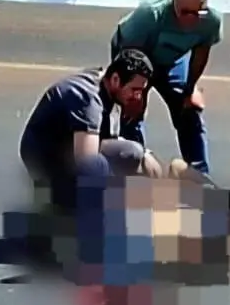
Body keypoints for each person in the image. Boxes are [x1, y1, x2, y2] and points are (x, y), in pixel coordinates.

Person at [19, 49, 167, 213]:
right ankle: (60, 202)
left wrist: (145, 157)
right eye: (134, 90)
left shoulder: (105, 81)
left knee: (137, 155)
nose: (138, 97)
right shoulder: (89, 100)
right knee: (114, 169)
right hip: (46, 158)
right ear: (116, 79)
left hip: (69, 145)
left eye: (141, 91)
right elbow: (88, 163)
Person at [110, 0, 223, 175]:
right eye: (184, 11)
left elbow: (200, 53)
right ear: (174, 0)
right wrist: (137, 93)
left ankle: (200, 175)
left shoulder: (211, 21)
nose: (190, 19)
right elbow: (130, 55)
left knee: (189, 110)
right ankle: (137, 169)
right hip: (135, 54)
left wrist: (190, 89)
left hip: (172, 59)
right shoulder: (151, 15)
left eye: (197, 12)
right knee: (132, 110)